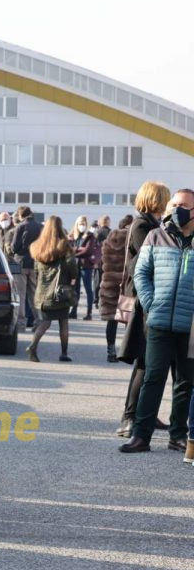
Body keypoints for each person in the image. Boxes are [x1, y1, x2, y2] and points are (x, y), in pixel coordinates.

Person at [119, 189, 194, 454]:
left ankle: (178, 435)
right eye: (174, 204)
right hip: (159, 321)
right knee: (153, 377)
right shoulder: (155, 235)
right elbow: (141, 273)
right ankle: (141, 436)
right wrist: (152, 304)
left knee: (185, 381)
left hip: (191, 325)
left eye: (183, 205)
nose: (177, 209)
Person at [116, 181, 171, 437]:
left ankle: (144, 413)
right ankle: (130, 416)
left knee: (149, 362)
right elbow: (140, 265)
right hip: (143, 303)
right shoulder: (142, 226)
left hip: (147, 301)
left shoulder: (150, 224)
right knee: (143, 361)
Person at [26, 216, 78, 363]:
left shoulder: (38, 247)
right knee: (63, 322)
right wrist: (72, 277)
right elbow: (72, 268)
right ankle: (64, 353)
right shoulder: (64, 246)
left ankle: (33, 346)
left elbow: (36, 271)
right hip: (60, 293)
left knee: (45, 322)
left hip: (42, 293)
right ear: (60, 228)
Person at [97, 216, 131, 362]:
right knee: (129, 319)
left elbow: (101, 264)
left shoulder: (108, 242)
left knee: (112, 320)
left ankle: (110, 350)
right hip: (127, 285)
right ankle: (127, 351)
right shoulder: (132, 239)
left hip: (110, 284)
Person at [12, 206, 42, 330]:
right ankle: (39, 321)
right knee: (34, 294)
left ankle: (21, 323)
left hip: (21, 263)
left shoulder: (20, 226)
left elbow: (14, 247)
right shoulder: (40, 227)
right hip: (35, 263)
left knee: (21, 294)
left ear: (20, 215)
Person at [68, 215, 99, 320]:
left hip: (86, 266)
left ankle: (89, 313)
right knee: (75, 290)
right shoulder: (73, 236)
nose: (82, 226)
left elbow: (88, 251)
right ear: (76, 224)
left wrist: (75, 252)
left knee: (88, 290)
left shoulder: (90, 236)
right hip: (75, 266)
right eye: (80, 223)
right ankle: (74, 311)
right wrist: (78, 249)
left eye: (84, 224)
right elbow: (68, 248)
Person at [94, 215, 112, 311]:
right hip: (108, 260)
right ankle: (104, 300)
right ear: (108, 222)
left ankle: (96, 300)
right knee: (106, 282)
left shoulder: (97, 233)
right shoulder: (111, 232)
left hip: (98, 260)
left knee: (97, 281)